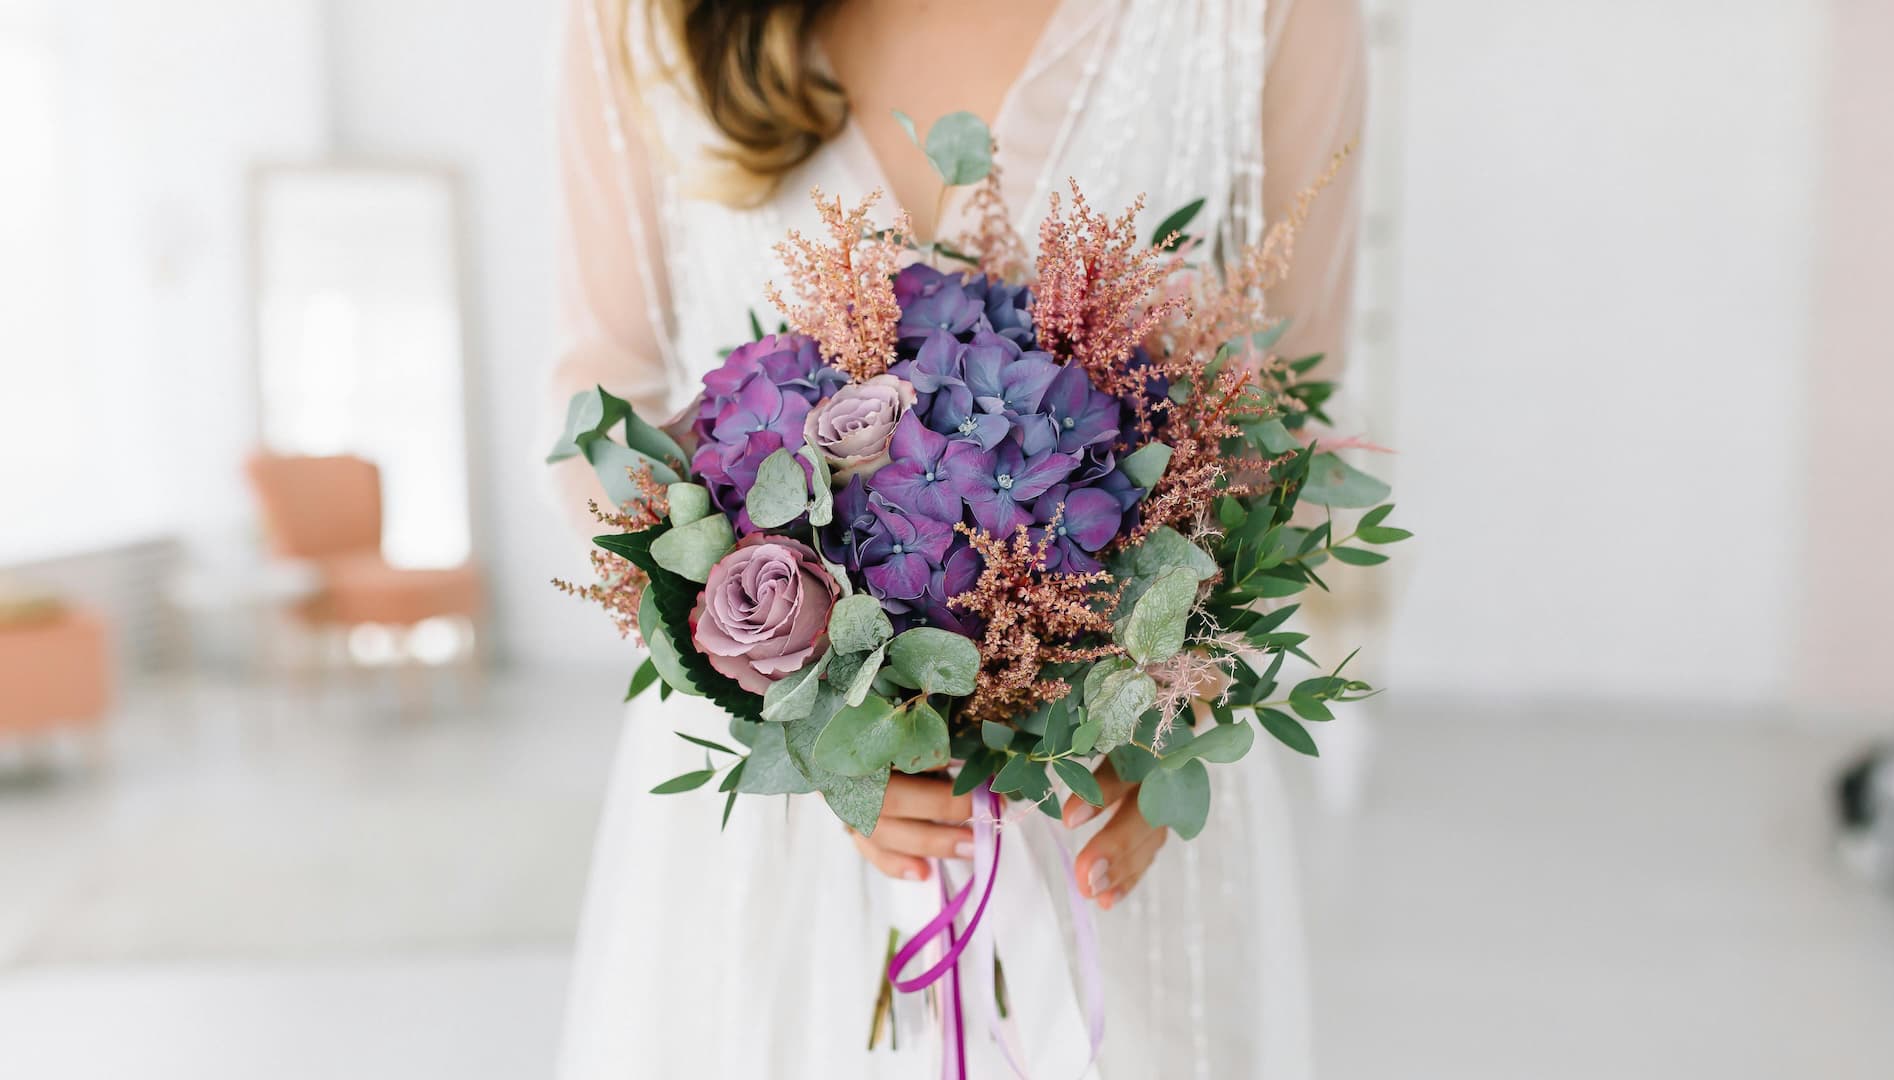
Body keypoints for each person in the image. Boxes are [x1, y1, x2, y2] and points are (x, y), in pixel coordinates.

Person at [550, 0, 1366, 1075]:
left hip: (1110, 794)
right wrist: (805, 725)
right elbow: (597, 404)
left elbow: (1289, 412)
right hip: (782, 830)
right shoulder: (642, 19)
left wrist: (1178, 691)